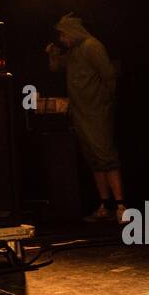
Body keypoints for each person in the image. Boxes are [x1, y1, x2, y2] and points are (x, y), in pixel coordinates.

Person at [46, 13, 126, 223]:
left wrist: (106, 103)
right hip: (80, 113)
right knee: (94, 159)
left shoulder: (92, 46)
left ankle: (121, 206)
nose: (61, 39)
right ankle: (105, 205)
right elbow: (55, 67)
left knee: (106, 155)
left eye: (63, 34)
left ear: (73, 31)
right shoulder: (73, 52)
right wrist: (53, 54)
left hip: (97, 111)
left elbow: (108, 75)